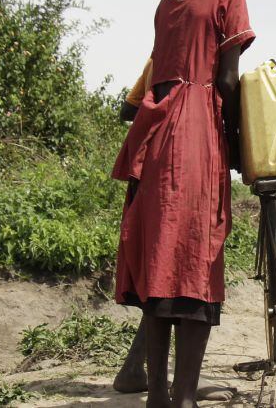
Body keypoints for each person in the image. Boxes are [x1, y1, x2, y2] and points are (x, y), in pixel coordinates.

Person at [110, 0, 254, 407]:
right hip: (195, 128)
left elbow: (161, 68)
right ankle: (186, 397)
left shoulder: (166, 1)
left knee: (161, 255)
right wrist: (236, 141)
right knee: (195, 252)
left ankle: (158, 398)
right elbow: (229, 80)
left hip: (154, 132)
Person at [112, 56, 235, 403]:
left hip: (151, 160)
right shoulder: (206, 68)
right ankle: (180, 388)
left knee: (162, 269)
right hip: (178, 163)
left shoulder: (158, 61)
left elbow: (128, 109)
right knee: (185, 271)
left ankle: (141, 372)